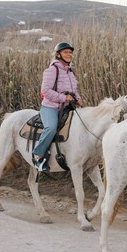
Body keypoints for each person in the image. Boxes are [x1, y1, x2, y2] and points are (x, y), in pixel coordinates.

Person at [32, 41, 82, 172]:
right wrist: (64, 98)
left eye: (70, 52)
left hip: (67, 108)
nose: (69, 54)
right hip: (51, 107)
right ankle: (39, 156)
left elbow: (73, 89)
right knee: (51, 127)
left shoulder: (70, 72)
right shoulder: (52, 70)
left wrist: (77, 98)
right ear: (58, 54)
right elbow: (45, 91)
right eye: (66, 52)